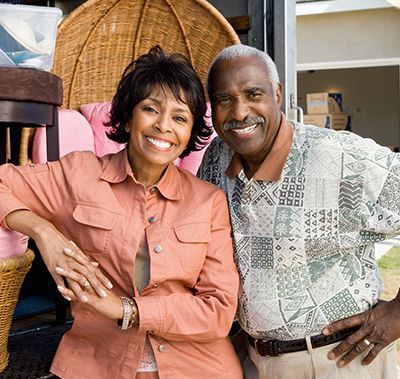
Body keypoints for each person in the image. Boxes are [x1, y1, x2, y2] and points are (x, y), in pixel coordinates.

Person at [0, 46, 243, 379]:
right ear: (128, 117)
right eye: (150, 109)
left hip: (199, 367)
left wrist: (127, 309)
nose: (163, 126)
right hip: (98, 364)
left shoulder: (208, 201)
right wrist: (43, 232)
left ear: (189, 134)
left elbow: (218, 310)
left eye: (179, 117)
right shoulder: (79, 174)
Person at [197, 44, 400, 379]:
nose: (238, 111)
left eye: (253, 93)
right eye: (224, 99)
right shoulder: (217, 159)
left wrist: (397, 313)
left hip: (338, 361)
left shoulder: (339, 157)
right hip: (254, 361)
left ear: (277, 93)